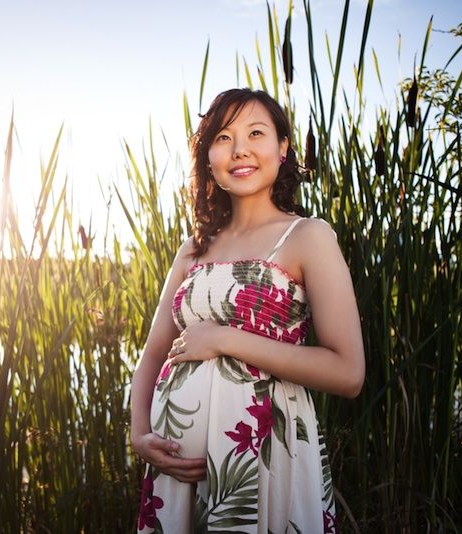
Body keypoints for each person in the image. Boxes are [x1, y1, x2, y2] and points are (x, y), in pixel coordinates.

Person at [130, 87, 365, 533]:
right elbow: (152, 355)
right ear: (208, 158)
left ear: (283, 148)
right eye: (223, 137)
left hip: (266, 461)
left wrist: (224, 339)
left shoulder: (307, 236)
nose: (240, 149)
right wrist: (140, 435)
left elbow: (348, 372)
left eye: (256, 133)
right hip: (179, 473)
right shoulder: (192, 249)